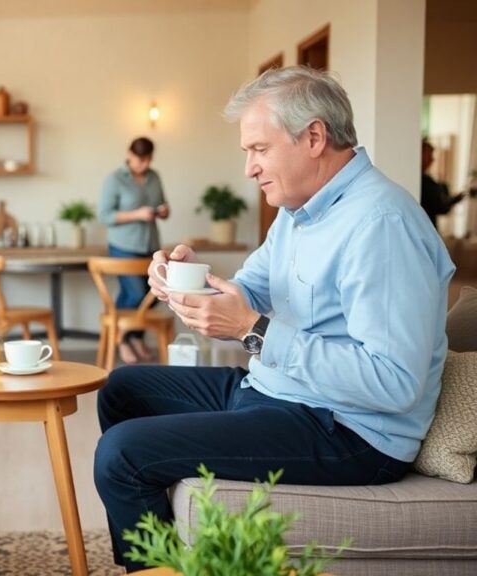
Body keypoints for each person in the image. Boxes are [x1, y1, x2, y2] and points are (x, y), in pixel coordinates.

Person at [93, 66, 455, 573]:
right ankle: (170, 555)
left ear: (313, 137)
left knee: (122, 453)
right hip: (278, 391)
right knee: (121, 389)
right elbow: (251, 289)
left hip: (348, 431)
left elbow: (395, 383)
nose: (249, 168)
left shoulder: (382, 224)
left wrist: (253, 329)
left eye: (258, 149)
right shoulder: (299, 210)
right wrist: (185, 282)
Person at [97, 136, 170, 364]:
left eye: (147, 159)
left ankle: (135, 338)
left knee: (155, 293)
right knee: (136, 293)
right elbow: (104, 216)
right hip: (123, 247)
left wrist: (163, 211)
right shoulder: (115, 179)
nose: (144, 164)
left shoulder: (154, 177)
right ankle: (122, 341)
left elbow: (162, 204)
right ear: (129, 154)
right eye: (140, 159)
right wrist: (137, 215)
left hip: (150, 245)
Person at [420, 138, 474, 228]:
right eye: (429, 155)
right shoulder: (425, 182)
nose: (432, 159)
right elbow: (441, 207)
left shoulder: (427, 180)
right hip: (425, 227)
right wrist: (455, 199)